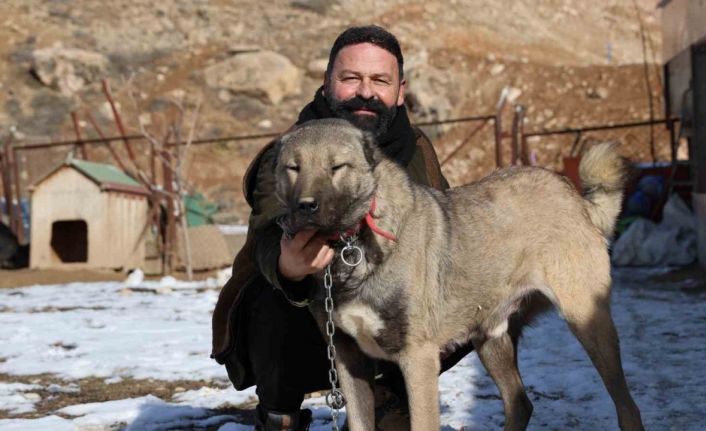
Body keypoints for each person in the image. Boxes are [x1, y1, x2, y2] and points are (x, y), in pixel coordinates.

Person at [211, 25, 473, 431]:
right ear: (328, 83)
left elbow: (445, 223)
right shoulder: (291, 151)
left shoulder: (416, 148)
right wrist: (285, 266)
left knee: (470, 287)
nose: (365, 91)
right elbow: (266, 228)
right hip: (311, 328)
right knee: (274, 296)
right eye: (351, 78)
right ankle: (280, 410)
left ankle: (389, 393)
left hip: (393, 317)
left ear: (399, 91)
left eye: (379, 80)